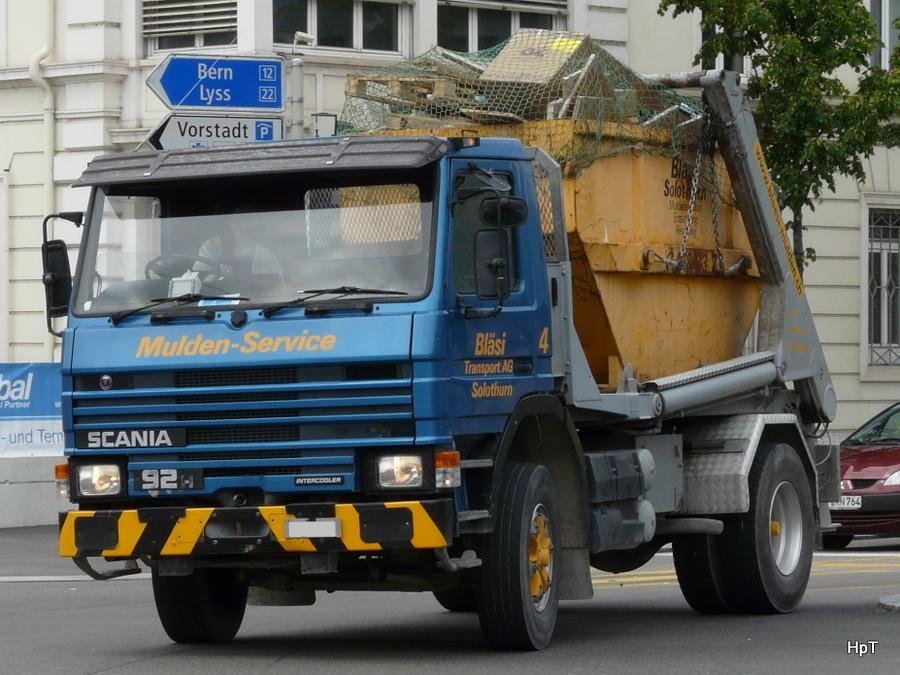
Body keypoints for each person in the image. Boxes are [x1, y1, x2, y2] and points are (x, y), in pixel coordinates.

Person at [196, 206, 283, 281]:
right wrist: (218, 276)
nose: (245, 225)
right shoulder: (211, 247)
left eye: (250, 220)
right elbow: (197, 282)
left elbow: (276, 293)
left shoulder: (267, 259)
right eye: (240, 220)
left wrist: (235, 281)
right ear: (230, 223)